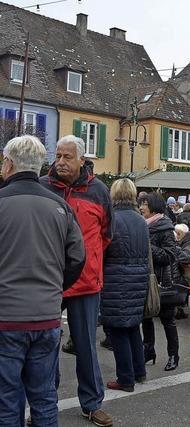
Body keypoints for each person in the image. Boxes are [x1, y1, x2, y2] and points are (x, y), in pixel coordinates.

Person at [0, 136, 85, 426]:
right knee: (45, 398)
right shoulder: (59, 206)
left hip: (6, 318)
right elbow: (77, 258)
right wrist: (55, 288)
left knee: (6, 401)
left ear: (9, 163)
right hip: (47, 316)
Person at [40, 135, 114, 427]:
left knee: (85, 345)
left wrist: (88, 260)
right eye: (58, 156)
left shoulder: (98, 191)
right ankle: (45, 405)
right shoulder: (44, 187)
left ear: (82, 160)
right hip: (50, 281)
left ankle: (92, 404)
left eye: (67, 157)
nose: (60, 162)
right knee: (46, 346)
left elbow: (107, 234)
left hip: (85, 283)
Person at [101, 178, 149, 393]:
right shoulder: (141, 220)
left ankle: (125, 378)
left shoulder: (112, 219)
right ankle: (139, 371)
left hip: (116, 278)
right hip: (138, 278)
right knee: (132, 327)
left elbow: (104, 250)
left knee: (117, 329)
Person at [139, 192, 183, 372]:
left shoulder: (165, 228)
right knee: (146, 318)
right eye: (140, 204)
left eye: (144, 204)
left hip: (162, 282)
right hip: (145, 279)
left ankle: (173, 355)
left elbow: (169, 256)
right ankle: (148, 351)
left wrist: (149, 247)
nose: (141, 207)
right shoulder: (143, 226)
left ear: (154, 207)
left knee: (168, 320)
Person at [174, 223, 190, 320]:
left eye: (179, 234)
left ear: (184, 234)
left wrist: (178, 252)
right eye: (176, 233)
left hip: (181, 271)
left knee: (182, 282)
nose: (177, 236)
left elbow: (188, 254)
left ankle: (179, 307)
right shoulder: (177, 242)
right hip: (178, 271)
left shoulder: (189, 241)